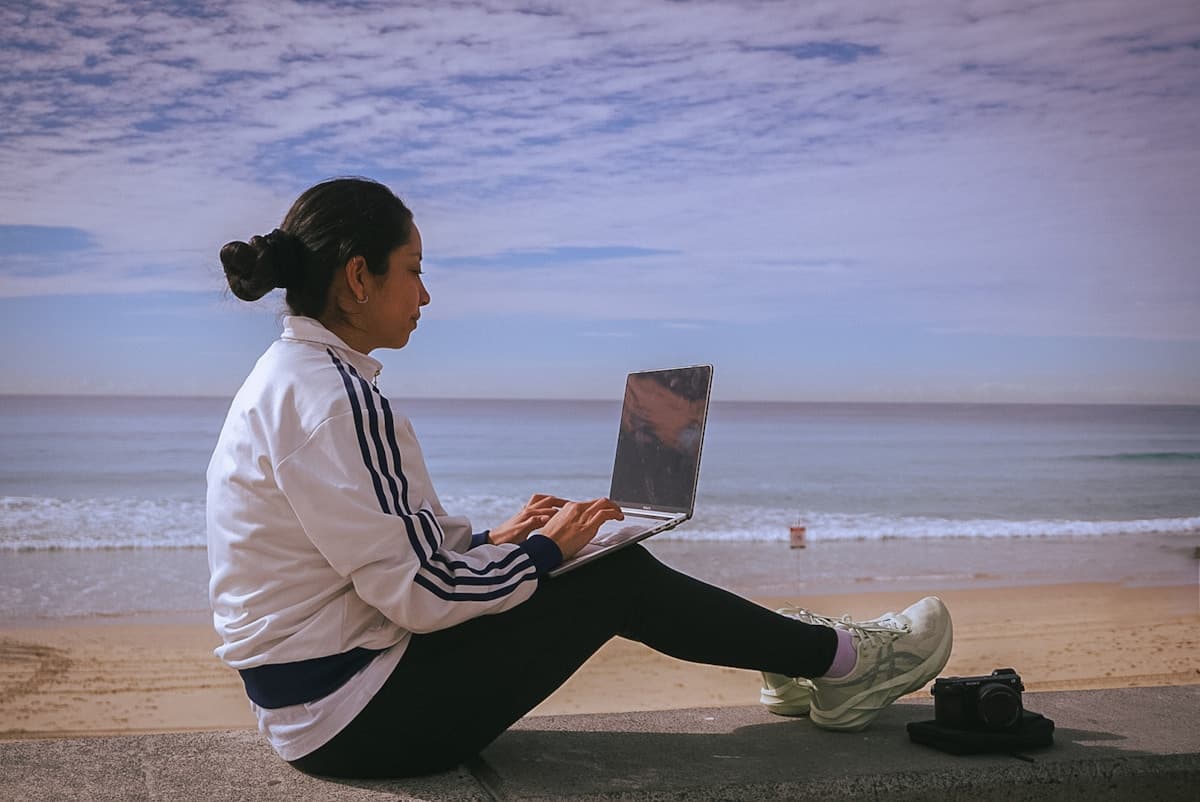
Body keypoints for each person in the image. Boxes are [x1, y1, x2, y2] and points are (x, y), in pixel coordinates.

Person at [207, 177, 953, 779]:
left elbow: (367, 549)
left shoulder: (299, 380)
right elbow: (420, 595)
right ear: (358, 278)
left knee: (592, 557)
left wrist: (495, 538)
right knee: (611, 576)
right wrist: (545, 556)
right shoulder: (333, 398)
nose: (426, 295)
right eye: (415, 270)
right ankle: (845, 664)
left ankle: (797, 660)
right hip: (354, 718)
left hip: (321, 700)